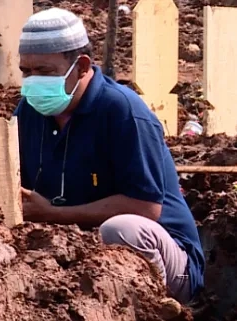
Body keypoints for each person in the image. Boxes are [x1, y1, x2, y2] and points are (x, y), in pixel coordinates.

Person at [13, 8, 204, 304]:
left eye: (45, 71)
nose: (33, 82)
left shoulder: (123, 113)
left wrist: (53, 215)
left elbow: (145, 209)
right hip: (79, 257)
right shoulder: (29, 112)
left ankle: (154, 307)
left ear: (82, 66)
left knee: (121, 229)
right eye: (27, 71)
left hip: (166, 261)